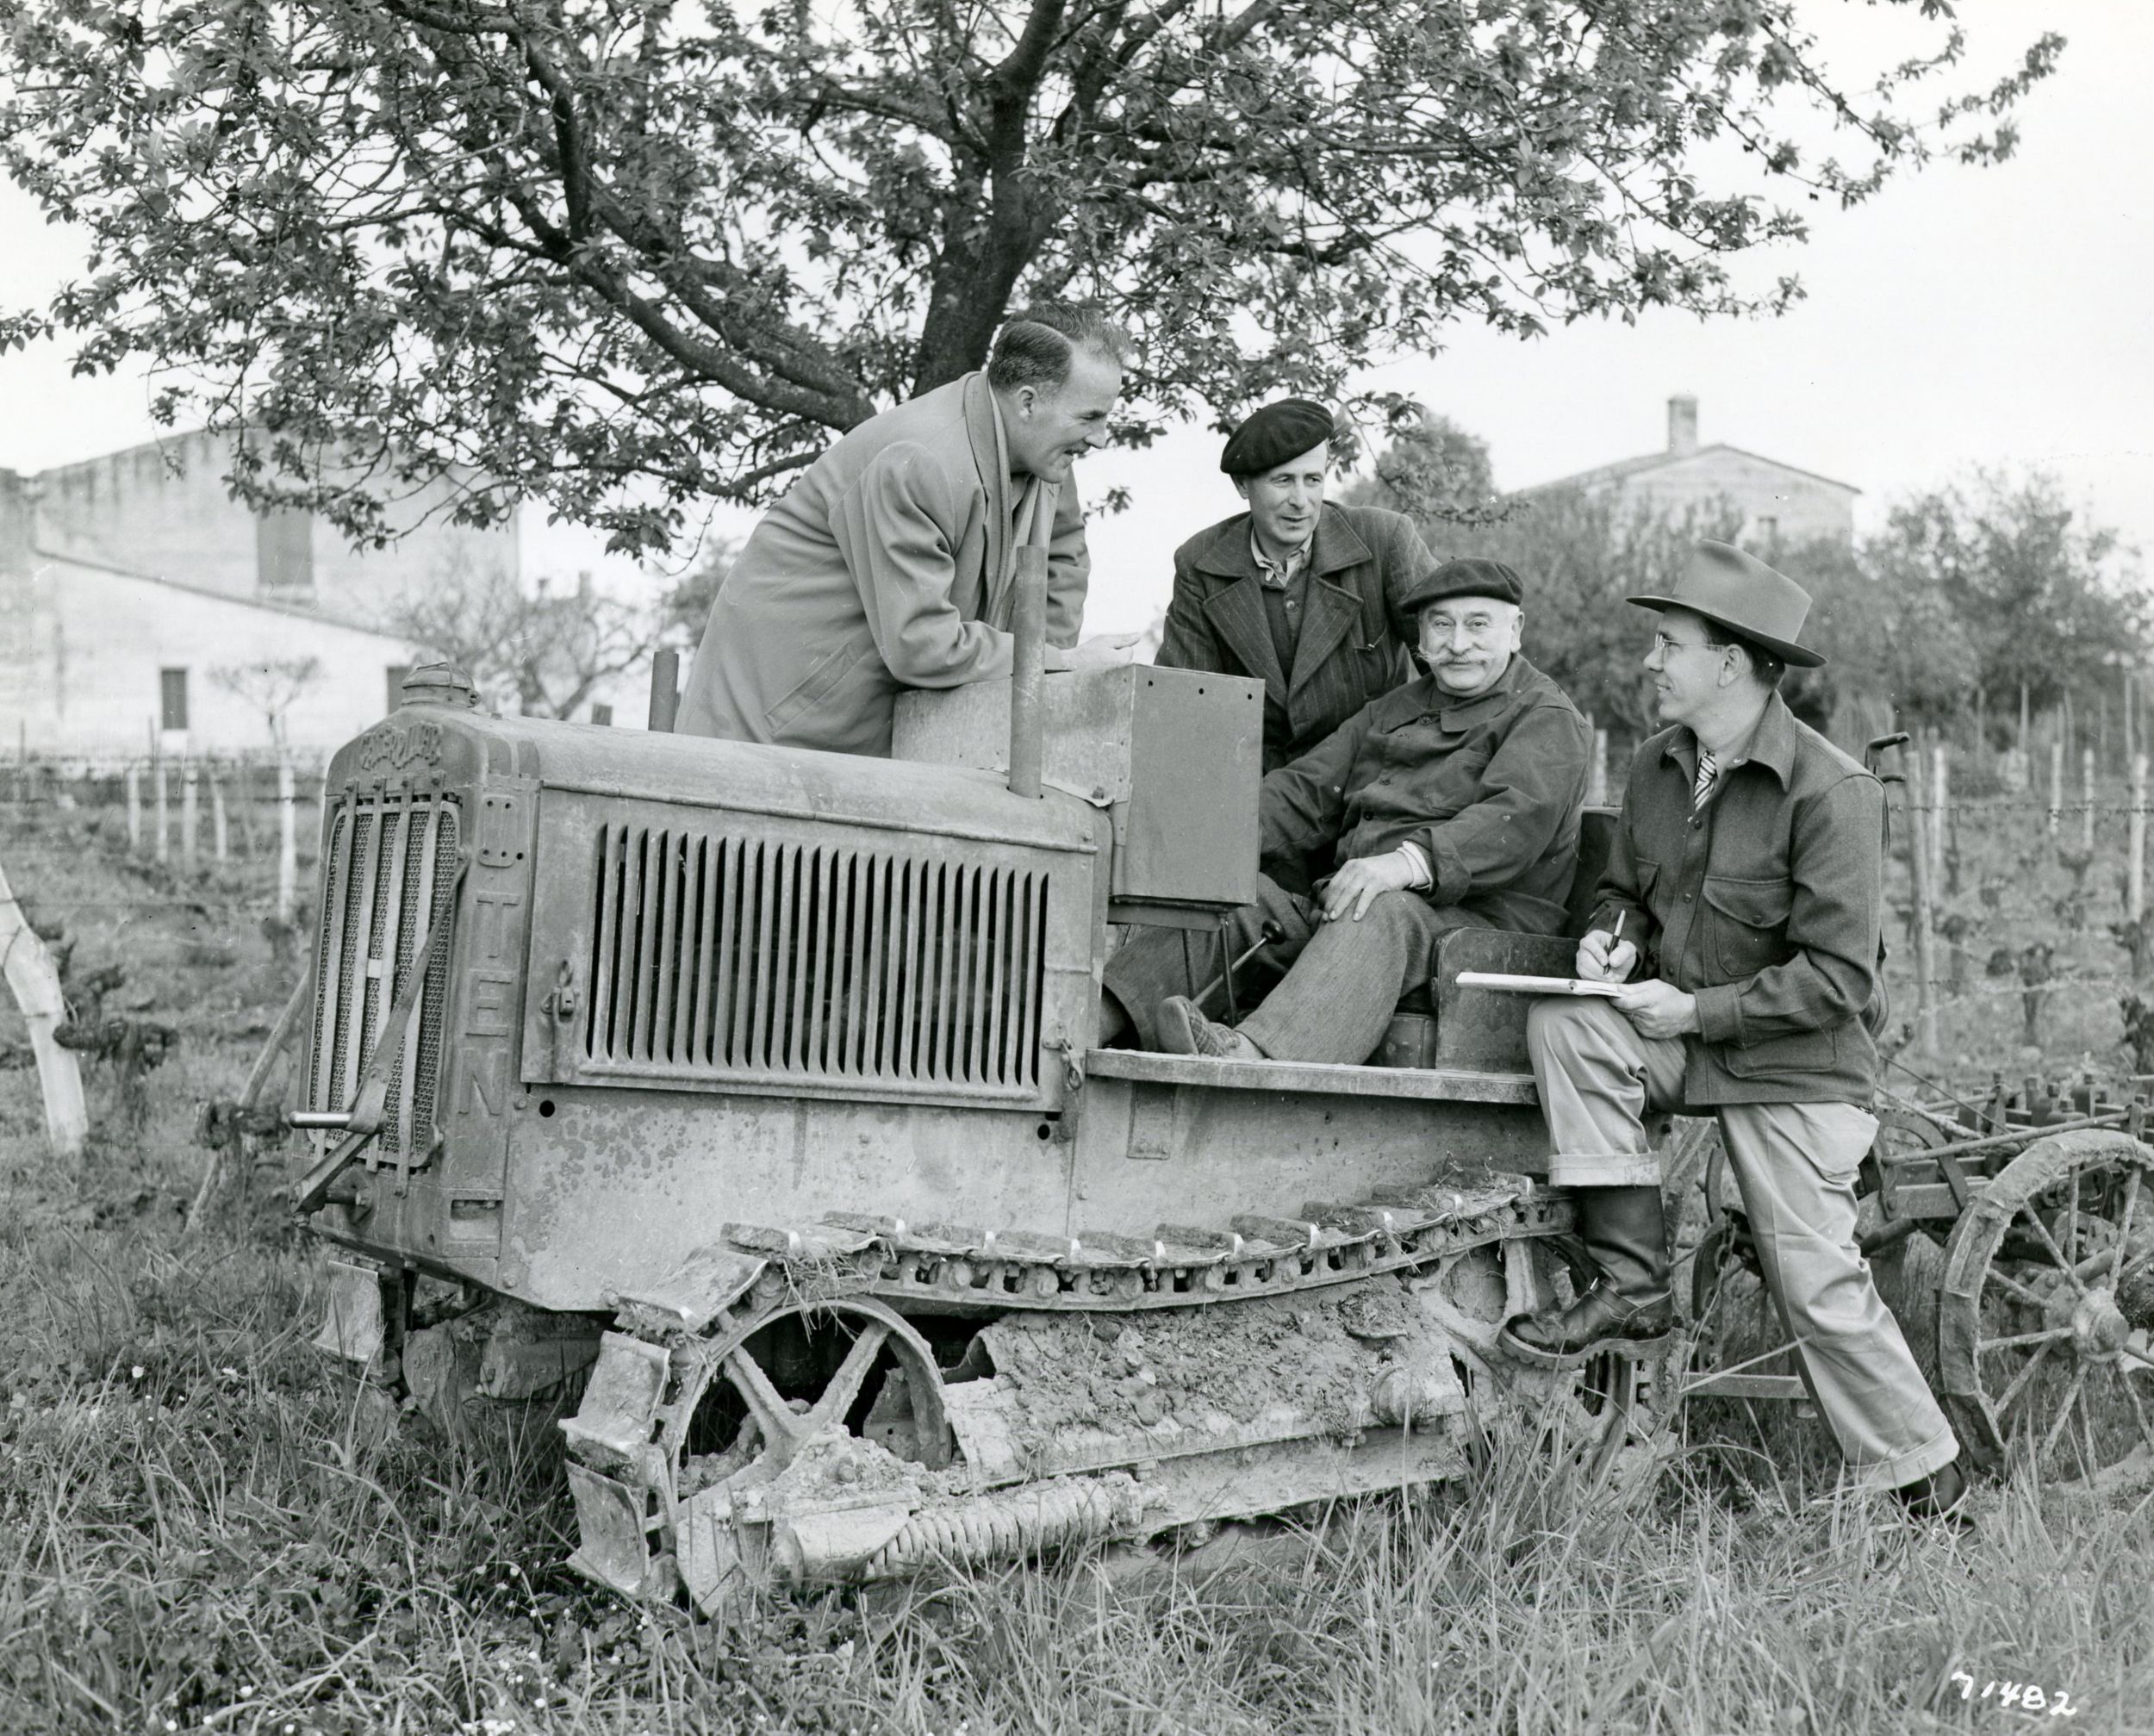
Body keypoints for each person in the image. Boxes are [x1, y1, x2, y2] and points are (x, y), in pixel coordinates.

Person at [1501, 541, 1965, 1518]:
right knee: (1567, 1026)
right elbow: (1623, 891)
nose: (1649, 661)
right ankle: (1633, 1286)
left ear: (1732, 662)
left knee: (1815, 1284)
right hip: (1684, 1038)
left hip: (1795, 1066)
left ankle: (1932, 1490)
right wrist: (1611, 945)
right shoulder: (1656, 768)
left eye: (1667, 643)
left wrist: (1696, 1009)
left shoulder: (1830, 790)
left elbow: (1840, 978)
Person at [1104, 557, 1591, 1065]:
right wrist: (1201, 838)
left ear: (1515, 630)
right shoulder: (1393, 708)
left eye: (1478, 624)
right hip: (1353, 908)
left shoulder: (1545, 716)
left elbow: (1511, 822)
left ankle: (1247, 1058)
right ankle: (1086, 1021)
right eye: (1441, 625)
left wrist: (1398, 867)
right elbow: (1302, 791)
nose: (1459, 643)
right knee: (1238, 898)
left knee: (1375, 907)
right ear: (1421, 638)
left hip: (1476, 934)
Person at [677, 304, 1138, 757]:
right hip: (768, 740)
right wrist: (1059, 665)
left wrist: (1042, 668)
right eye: (1090, 417)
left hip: (868, 743)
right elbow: (923, 645)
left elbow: (1063, 561)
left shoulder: (1047, 455)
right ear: (1028, 402)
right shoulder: (918, 460)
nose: (1100, 438)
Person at [1156, 406, 1441, 879]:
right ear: (1243, 486)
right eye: (1282, 481)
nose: (1301, 501)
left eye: (1313, 479)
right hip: (1263, 813)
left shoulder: (1385, 539)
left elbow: (1452, 665)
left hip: (1371, 801)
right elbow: (1186, 710)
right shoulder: (1200, 565)